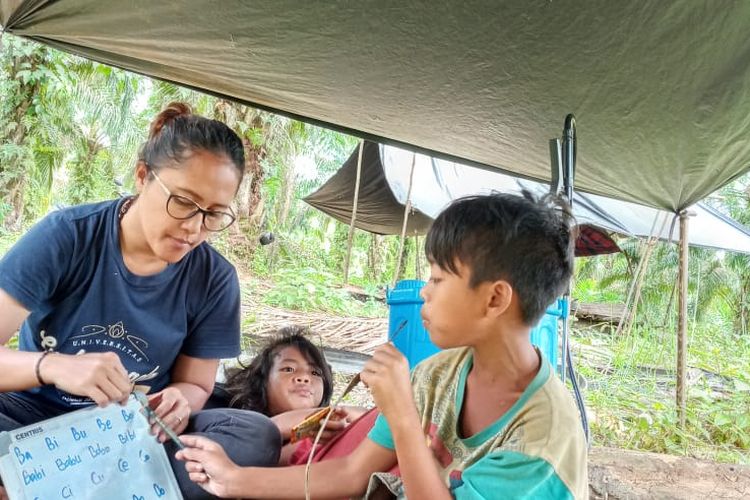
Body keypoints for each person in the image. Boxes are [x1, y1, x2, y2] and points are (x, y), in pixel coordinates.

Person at [176, 191, 589, 499]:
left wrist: (403, 416)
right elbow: (353, 473)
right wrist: (234, 478)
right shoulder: (438, 375)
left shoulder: (541, 441)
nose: (425, 293)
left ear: (495, 298)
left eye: (438, 279)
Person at [0, 102, 280, 499]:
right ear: (142, 176)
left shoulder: (214, 279)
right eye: (183, 201)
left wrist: (180, 401)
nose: (194, 227)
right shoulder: (66, 237)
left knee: (254, 434)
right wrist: (53, 366)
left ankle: (37, 485)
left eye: (214, 214)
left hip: (135, 433)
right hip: (34, 419)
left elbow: (196, 383)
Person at [208, 325, 367, 464]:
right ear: (262, 381)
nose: (304, 378)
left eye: (315, 373)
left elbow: (375, 418)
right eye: (288, 369)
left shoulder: (334, 427)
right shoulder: (230, 419)